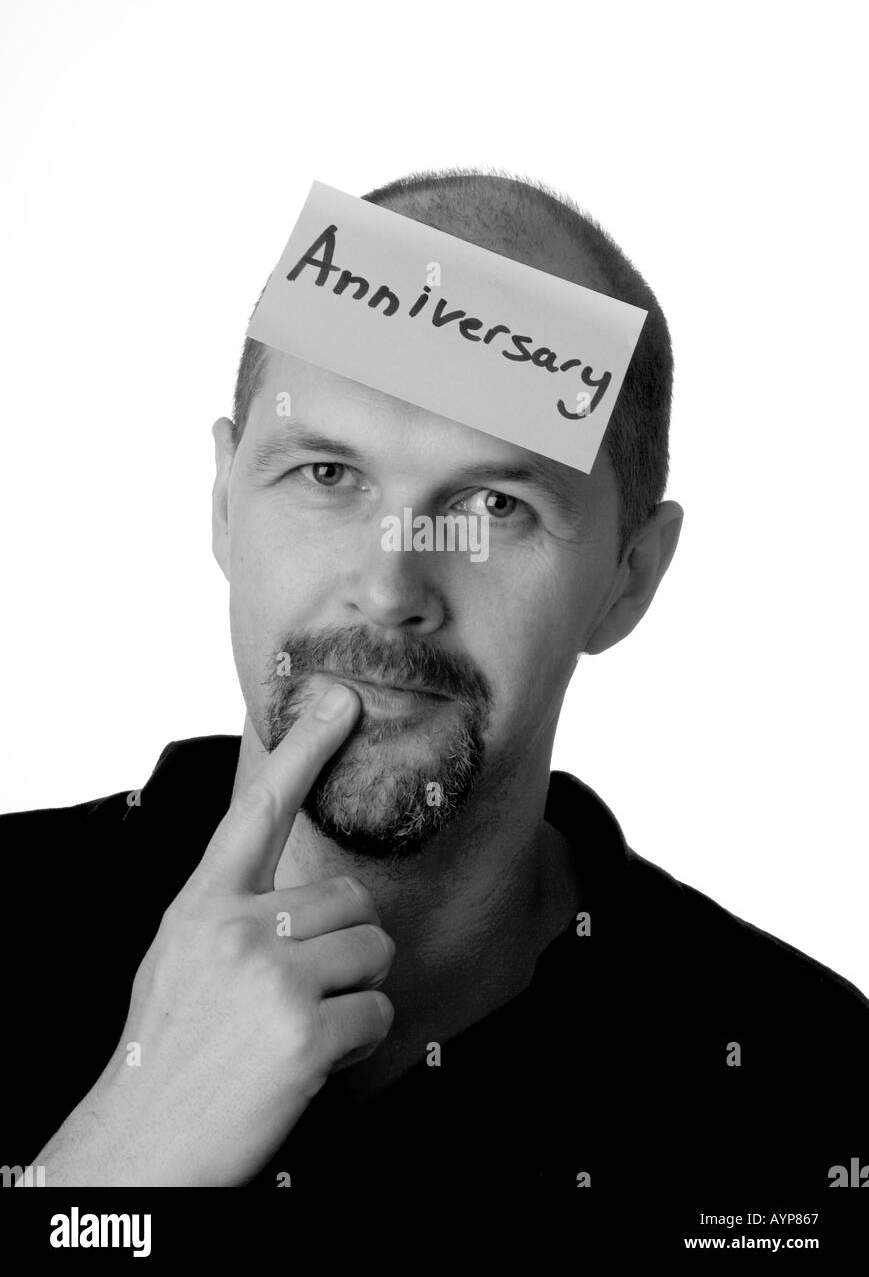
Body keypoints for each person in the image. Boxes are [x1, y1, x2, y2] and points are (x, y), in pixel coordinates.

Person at [2, 171, 866, 1212]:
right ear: (224, 504)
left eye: (495, 503)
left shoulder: (811, 1087)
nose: (388, 588)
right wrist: (120, 1163)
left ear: (628, 576)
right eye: (328, 476)